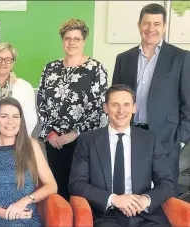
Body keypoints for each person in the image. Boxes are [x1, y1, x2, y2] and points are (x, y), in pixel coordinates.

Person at [69, 84, 175, 227]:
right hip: (106, 216)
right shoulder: (88, 141)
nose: (121, 111)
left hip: (145, 215)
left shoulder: (150, 139)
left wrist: (145, 199)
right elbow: (76, 184)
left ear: (134, 108)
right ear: (105, 108)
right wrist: (114, 199)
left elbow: (167, 183)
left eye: (126, 105)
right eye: (115, 105)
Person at [112, 3, 190, 196]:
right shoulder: (124, 58)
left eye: (156, 24)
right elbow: (115, 99)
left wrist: (181, 139)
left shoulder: (181, 58)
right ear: (139, 25)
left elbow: (188, 102)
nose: (151, 29)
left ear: (164, 26)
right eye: (146, 23)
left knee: (165, 192)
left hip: (166, 137)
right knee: (132, 187)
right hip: (131, 134)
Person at [37, 18, 108, 202]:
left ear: (84, 41)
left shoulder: (96, 69)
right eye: (67, 38)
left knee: (79, 191)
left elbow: (98, 109)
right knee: (56, 190)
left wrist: (73, 134)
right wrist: (50, 133)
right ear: (62, 40)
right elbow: (41, 103)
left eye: (77, 39)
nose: (71, 43)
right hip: (54, 142)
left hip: (82, 141)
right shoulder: (50, 68)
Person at [0, 97, 57, 227]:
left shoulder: (32, 146)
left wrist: (25, 201)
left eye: (15, 117)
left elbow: (52, 185)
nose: (10, 122)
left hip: (27, 221)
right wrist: (5, 213)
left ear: (21, 120)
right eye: (4, 116)